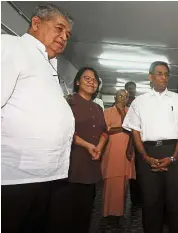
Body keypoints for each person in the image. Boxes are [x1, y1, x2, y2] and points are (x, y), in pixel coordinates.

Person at [1, 4, 74, 233]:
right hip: (13, 177)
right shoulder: (12, 47)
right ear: (35, 23)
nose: (63, 37)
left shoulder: (49, 66)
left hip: (43, 177)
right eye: (59, 29)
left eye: (67, 35)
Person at [123, 61, 178, 233]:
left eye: (166, 74)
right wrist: (145, 157)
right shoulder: (139, 102)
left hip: (174, 153)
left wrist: (174, 157)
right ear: (150, 77)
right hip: (148, 153)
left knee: (176, 201)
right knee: (150, 201)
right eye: (159, 74)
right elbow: (135, 132)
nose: (164, 78)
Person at [66, 67, 108, 233]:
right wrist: (87, 145)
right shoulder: (69, 103)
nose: (92, 82)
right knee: (68, 215)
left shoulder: (97, 108)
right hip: (72, 167)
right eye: (87, 78)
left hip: (92, 166)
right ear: (77, 82)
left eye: (95, 80)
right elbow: (66, 131)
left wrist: (99, 147)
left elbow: (105, 131)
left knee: (85, 213)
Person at [102, 89, 136, 219]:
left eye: (126, 96)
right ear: (114, 97)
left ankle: (120, 211)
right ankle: (108, 211)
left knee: (124, 181)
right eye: (120, 96)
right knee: (111, 179)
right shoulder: (107, 112)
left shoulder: (131, 112)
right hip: (112, 151)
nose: (123, 98)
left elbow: (134, 131)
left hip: (128, 149)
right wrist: (124, 128)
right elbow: (106, 130)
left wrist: (131, 146)